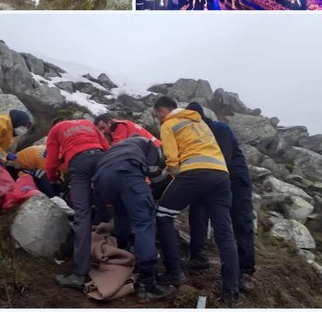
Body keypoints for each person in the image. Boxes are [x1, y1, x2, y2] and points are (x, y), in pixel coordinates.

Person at [152, 96, 240, 307]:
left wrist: (168, 182)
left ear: (162, 112)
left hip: (195, 172)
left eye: (157, 117)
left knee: (163, 215)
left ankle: (174, 272)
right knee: (224, 234)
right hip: (220, 175)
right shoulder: (199, 122)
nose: (158, 120)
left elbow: (173, 162)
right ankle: (231, 292)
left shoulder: (169, 124)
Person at [185, 102, 256, 293]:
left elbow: (223, 158)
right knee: (197, 210)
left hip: (234, 180)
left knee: (241, 222)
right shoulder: (195, 135)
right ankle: (197, 256)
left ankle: (246, 270)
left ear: (198, 118)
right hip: (212, 180)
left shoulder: (219, 129)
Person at [92, 137, 174, 300]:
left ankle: (122, 255)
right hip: (126, 172)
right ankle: (147, 284)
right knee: (144, 221)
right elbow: (153, 173)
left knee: (121, 212)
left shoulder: (119, 146)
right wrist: (163, 176)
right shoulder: (151, 145)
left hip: (101, 179)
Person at [46, 117, 110, 290]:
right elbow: (106, 145)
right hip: (101, 158)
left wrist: (52, 178)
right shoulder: (88, 123)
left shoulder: (56, 129)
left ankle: (79, 273)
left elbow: (51, 159)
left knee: (82, 215)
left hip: (79, 163)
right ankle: (113, 250)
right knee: (107, 203)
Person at [94, 114, 161, 147]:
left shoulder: (119, 126)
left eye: (103, 128)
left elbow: (116, 147)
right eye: (99, 130)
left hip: (157, 149)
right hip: (154, 148)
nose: (102, 132)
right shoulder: (118, 125)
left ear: (109, 122)